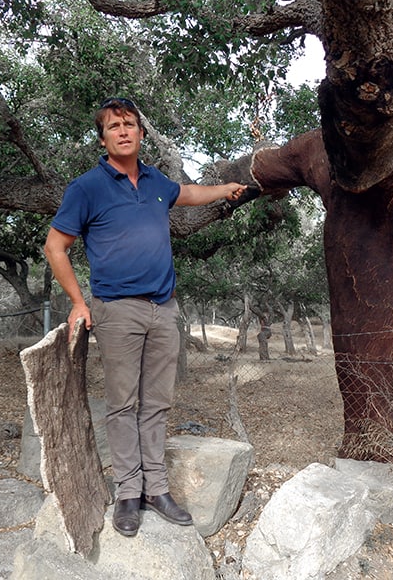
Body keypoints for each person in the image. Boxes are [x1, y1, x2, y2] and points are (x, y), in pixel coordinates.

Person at [44, 97, 247, 537]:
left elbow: (187, 194)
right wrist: (80, 303)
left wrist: (225, 189)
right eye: (114, 126)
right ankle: (127, 495)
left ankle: (156, 489)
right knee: (122, 406)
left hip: (164, 309)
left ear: (139, 133)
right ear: (103, 138)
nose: (123, 131)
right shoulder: (86, 188)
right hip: (116, 310)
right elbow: (55, 246)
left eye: (130, 124)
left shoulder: (156, 181)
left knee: (156, 405)